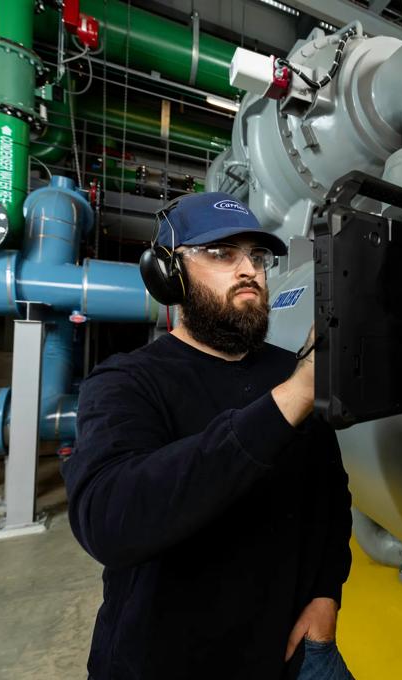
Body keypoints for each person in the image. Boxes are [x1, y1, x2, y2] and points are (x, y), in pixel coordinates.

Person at [63, 192, 354, 680]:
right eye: (221, 254)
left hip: (297, 655)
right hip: (166, 661)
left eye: (256, 257)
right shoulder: (126, 382)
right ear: (167, 274)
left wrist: (327, 595)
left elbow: (331, 499)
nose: (248, 270)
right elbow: (109, 520)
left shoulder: (293, 373)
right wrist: (292, 398)